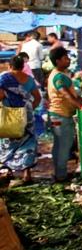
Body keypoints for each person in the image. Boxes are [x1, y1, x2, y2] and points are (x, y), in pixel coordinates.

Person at [47, 47, 82, 182]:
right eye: (65, 58)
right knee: (64, 146)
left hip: (56, 115)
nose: (68, 60)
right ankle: (61, 176)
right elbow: (66, 95)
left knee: (59, 146)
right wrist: (81, 105)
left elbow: (73, 95)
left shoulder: (58, 74)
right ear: (58, 61)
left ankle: (59, 172)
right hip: (61, 116)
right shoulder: (58, 77)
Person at [0, 55, 41, 185]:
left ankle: (8, 172)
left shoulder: (4, 78)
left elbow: (0, 95)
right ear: (23, 67)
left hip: (9, 114)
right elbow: (37, 97)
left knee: (8, 141)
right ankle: (26, 174)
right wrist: (29, 109)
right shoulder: (29, 79)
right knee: (28, 142)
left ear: (10, 66)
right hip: (26, 114)